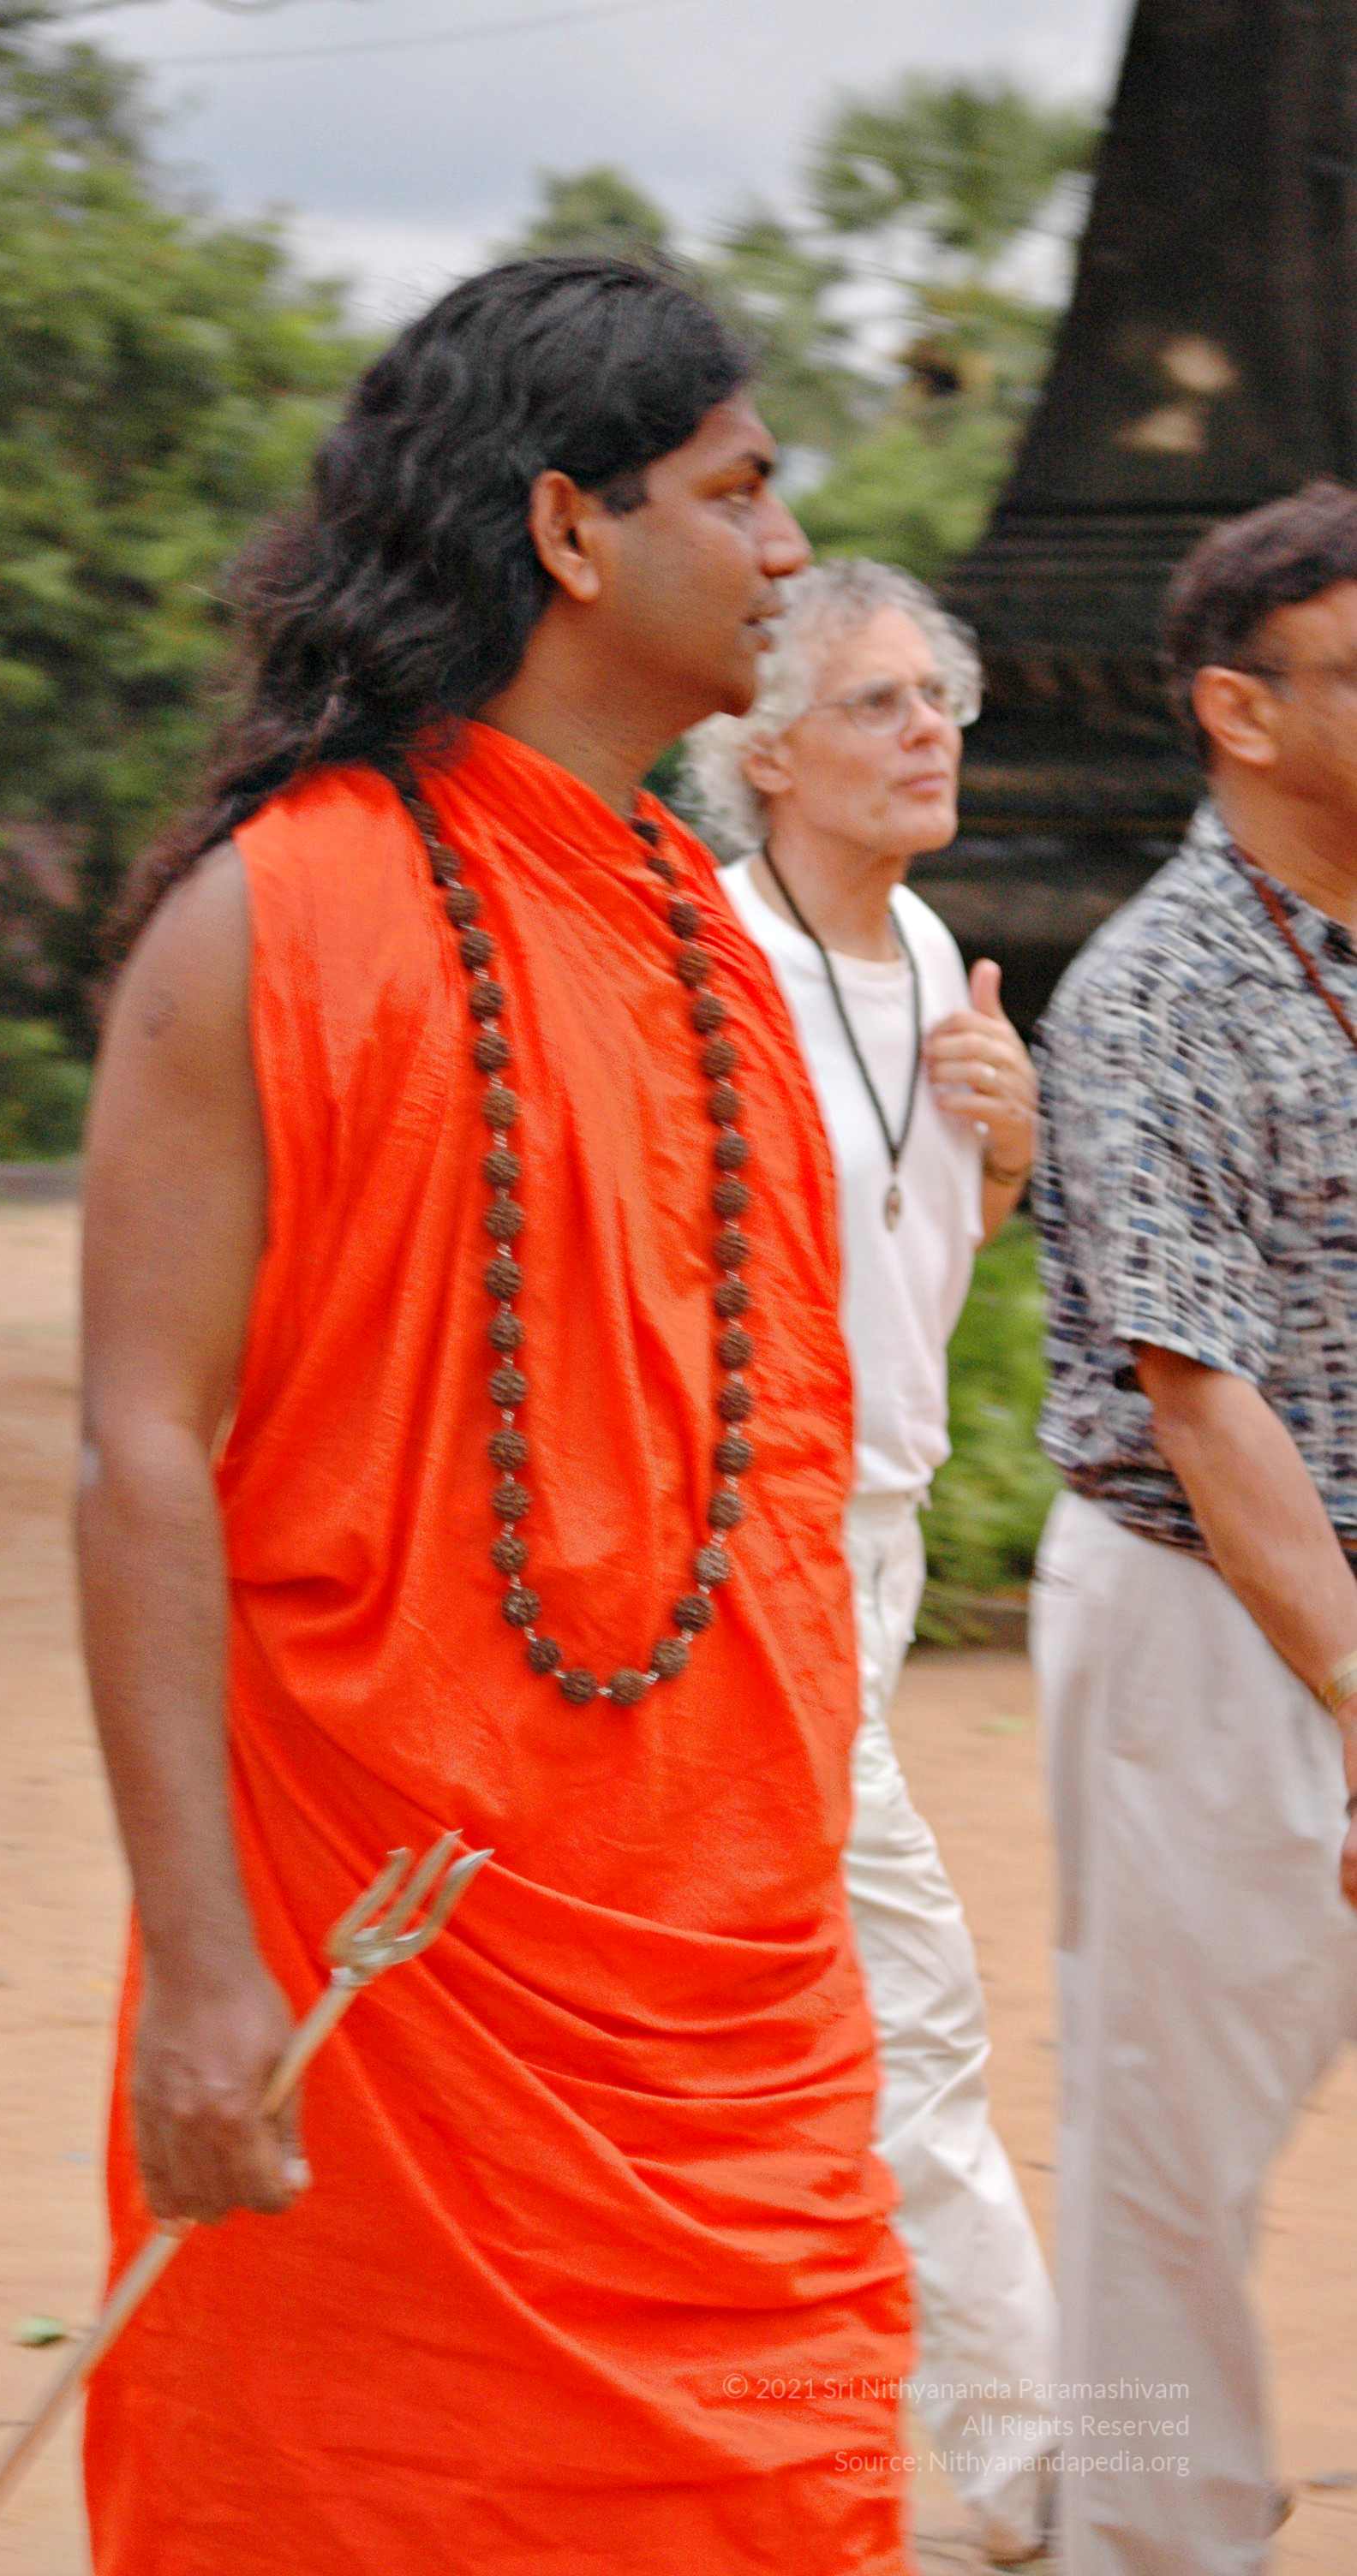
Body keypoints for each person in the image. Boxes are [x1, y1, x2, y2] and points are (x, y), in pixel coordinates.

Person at [75, 254, 918, 2576]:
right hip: (394, 1961)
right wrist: (205, 1968)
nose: (785, 554)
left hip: (722, 1973)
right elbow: (139, 1450)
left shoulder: (707, 938)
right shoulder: (268, 921)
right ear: (570, 530)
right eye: (740, 493)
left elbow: (757, 1466)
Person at [688, 560, 1059, 2569]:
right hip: (753, 1556)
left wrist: (1000, 1156)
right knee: (908, 2001)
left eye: (942, 700)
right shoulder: (705, 961)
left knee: (796, 2006)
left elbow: (904, 1269)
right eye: (880, 704)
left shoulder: (921, 946)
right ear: (764, 754)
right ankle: (1042, 2470)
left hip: (880, 1540)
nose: (930, 732)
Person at [1031, 480, 1357, 2576]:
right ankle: (1160, 2544)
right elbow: (1202, 1392)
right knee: (1169, 2150)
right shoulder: (1155, 995)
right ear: (1243, 709)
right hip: (1211, 1629)